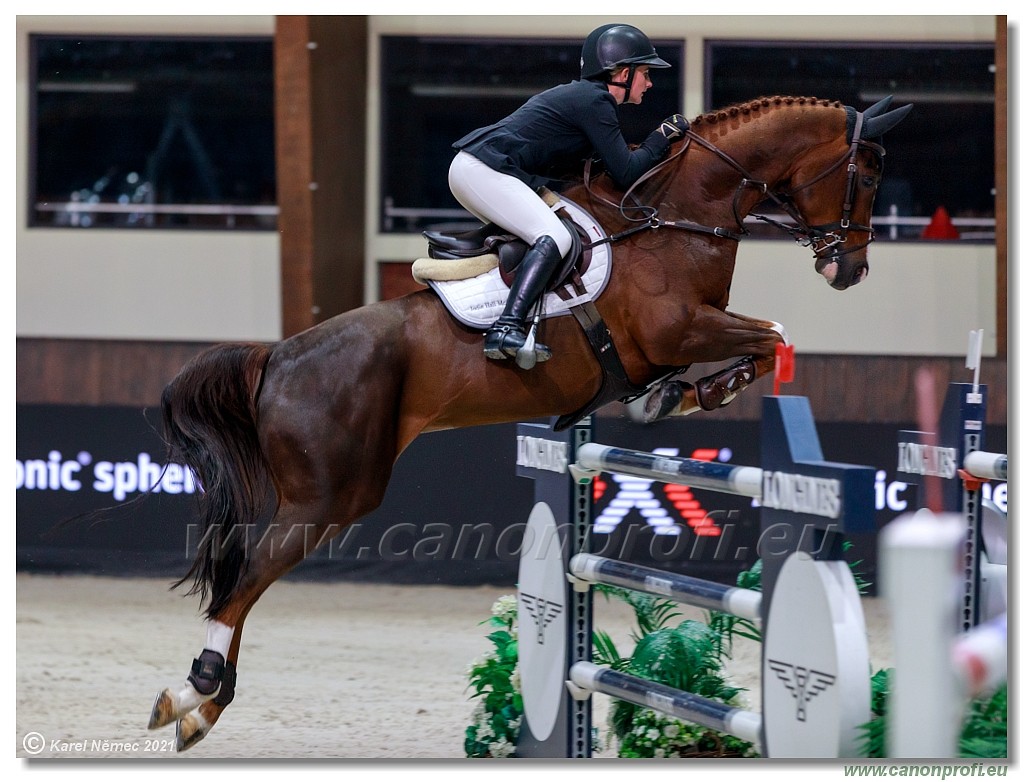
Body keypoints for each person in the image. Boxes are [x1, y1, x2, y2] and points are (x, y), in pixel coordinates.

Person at [447, 23, 687, 365]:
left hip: (478, 169)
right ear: (621, 72)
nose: (649, 82)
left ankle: (514, 319)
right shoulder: (595, 101)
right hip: (482, 170)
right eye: (645, 72)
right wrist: (662, 136)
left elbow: (599, 170)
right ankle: (506, 327)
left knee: (548, 232)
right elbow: (628, 171)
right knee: (554, 235)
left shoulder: (588, 100)